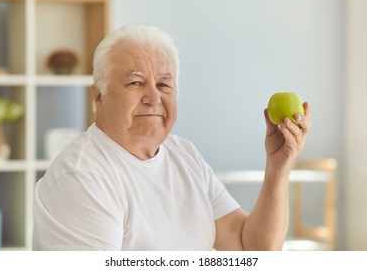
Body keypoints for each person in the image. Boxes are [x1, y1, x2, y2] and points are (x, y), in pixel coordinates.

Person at [32, 24, 311, 251]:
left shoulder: (184, 154)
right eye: (135, 82)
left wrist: (278, 166)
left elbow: (251, 249)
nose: (153, 98)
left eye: (164, 84)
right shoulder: (82, 177)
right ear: (98, 95)